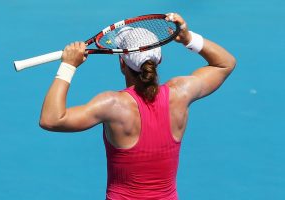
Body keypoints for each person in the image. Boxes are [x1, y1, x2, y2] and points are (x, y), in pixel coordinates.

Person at [39, 13, 236, 200]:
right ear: (159, 61)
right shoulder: (182, 93)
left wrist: (68, 66)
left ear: (122, 63)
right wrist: (188, 38)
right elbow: (224, 64)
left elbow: (51, 119)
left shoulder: (112, 105)